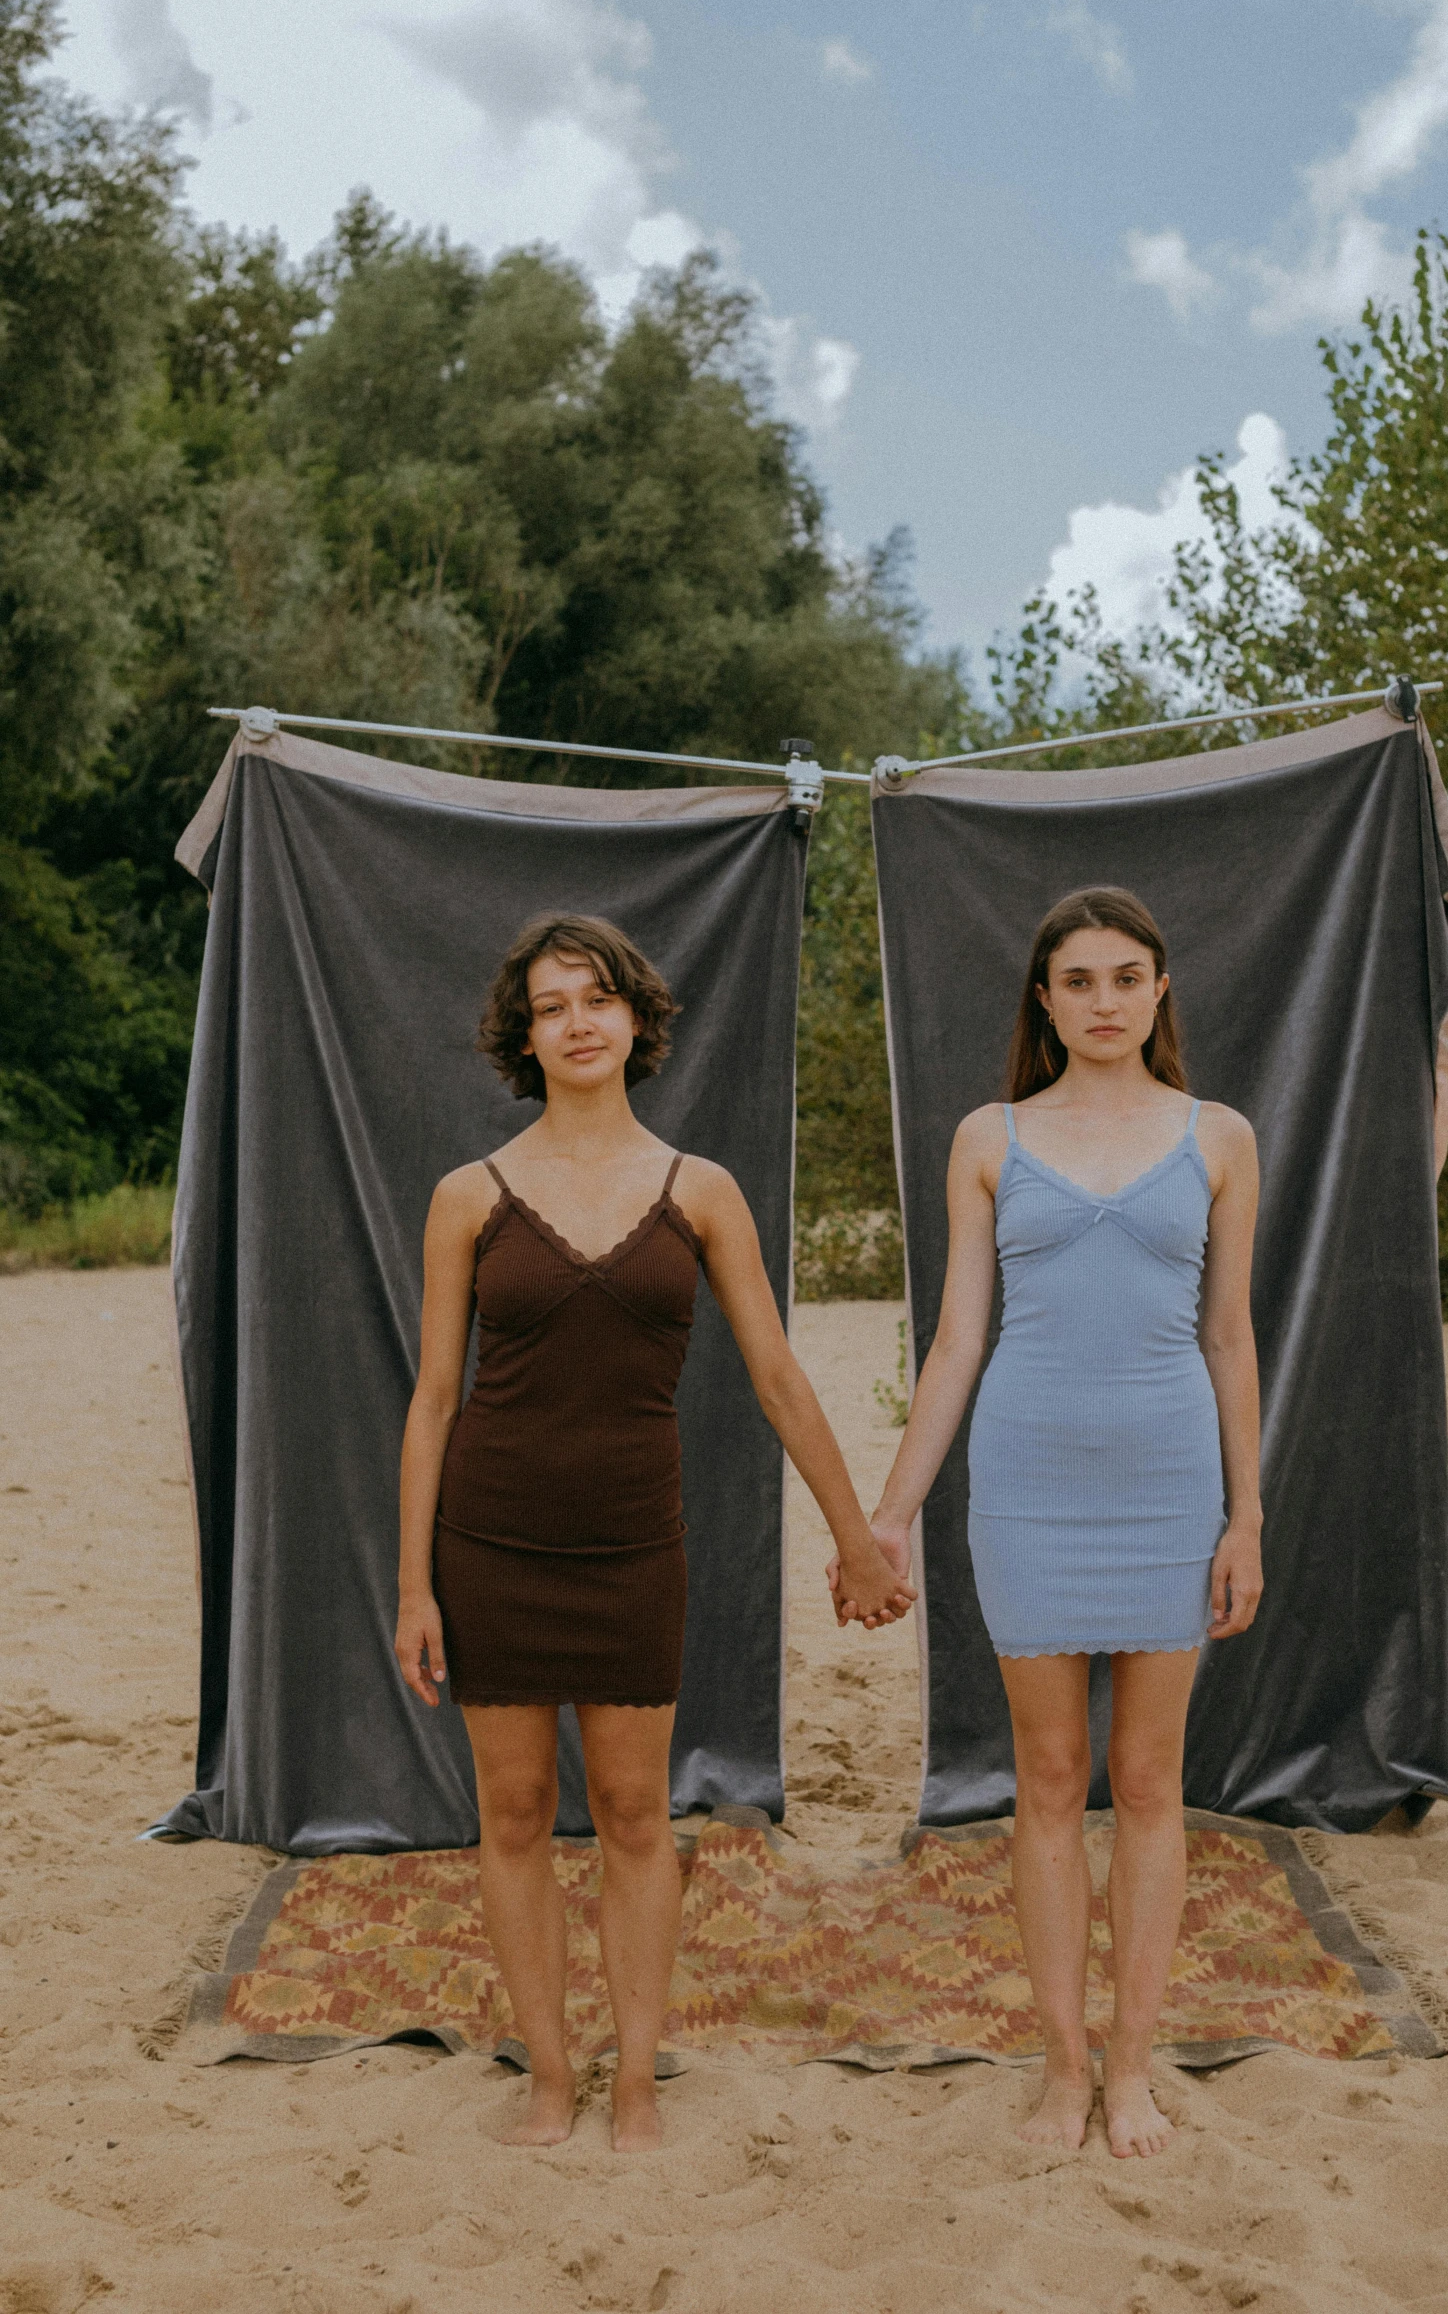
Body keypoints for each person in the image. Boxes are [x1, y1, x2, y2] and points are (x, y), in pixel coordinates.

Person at [394, 912, 914, 2153]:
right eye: (549, 1006)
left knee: (635, 1815)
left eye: (595, 998)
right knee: (512, 1814)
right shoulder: (468, 1195)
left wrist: (856, 1539)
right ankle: (550, 2075)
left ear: (635, 1017)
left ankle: (634, 2078)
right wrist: (414, 1583)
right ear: (523, 1037)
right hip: (492, 1543)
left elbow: (779, 1375)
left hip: (636, 1545)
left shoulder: (703, 1192)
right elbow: (430, 1402)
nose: (575, 1021)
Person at [844, 885, 1262, 2159]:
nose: (1103, 1001)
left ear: (1159, 990)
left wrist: (1247, 1515)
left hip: (1170, 1483)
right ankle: (1060, 2065)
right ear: (1044, 998)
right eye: (1077, 980)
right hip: (1025, 1484)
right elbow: (960, 1337)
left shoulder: (1219, 1137)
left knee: (1146, 1779)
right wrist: (889, 1515)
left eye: (1126, 977)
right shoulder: (988, 1136)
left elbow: (1229, 1336)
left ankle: (1130, 2069)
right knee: (1045, 1781)